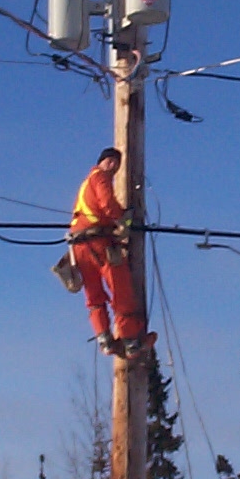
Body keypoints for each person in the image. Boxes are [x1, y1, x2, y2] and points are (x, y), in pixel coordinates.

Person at [69, 147, 146, 355]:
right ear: (106, 162)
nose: (114, 167)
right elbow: (108, 205)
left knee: (94, 294)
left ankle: (104, 339)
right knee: (120, 289)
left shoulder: (86, 183)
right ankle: (130, 339)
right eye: (113, 162)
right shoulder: (100, 178)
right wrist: (124, 218)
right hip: (99, 243)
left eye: (116, 164)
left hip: (79, 246)